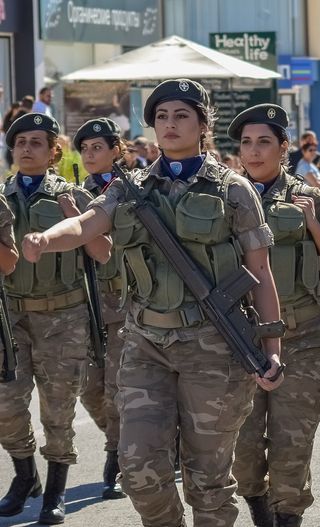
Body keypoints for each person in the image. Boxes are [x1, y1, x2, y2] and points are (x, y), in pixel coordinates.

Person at [19, 79, 285, 527]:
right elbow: (88, 223)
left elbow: (260, 273)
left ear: (203, 124)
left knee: (208, 481)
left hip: (215, 347)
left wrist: (272, 349)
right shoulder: (131, 187)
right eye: (162, 117)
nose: (170, 124)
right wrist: (45, 238)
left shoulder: (233, 190)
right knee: (139, 470)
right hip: (146, 344)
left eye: (181, 115)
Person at [227, 104, 320, 527]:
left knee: (290, 447)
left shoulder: (314, 198)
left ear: (284, 148)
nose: (254, 151)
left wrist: (313, 224)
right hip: (239, 341)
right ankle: (261, 511)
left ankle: (287, 518)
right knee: (243, 451)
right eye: (246, 142)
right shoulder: (220, 199)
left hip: (303, 341)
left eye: (264, 141)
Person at [0, 112, 111, 524]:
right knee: (6, 405)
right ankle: (25, 474)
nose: (26, 149)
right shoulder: (0, 196)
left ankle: (56, 491)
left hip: (63, 315)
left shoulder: (74, 196)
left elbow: (103, 254)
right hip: (11, 314)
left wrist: (76, 219)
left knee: (58, 407)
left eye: (35, 143)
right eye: (20, 142)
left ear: (53, 153)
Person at [71, 117, 133, 502]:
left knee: (117, 388)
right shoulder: (76, 194)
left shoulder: (133, 190)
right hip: (89, 303)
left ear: (116, 151)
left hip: (127, 301)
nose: (91, 154)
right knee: (89, 387)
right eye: (86, 149)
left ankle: (116, 458)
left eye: (98, 147)